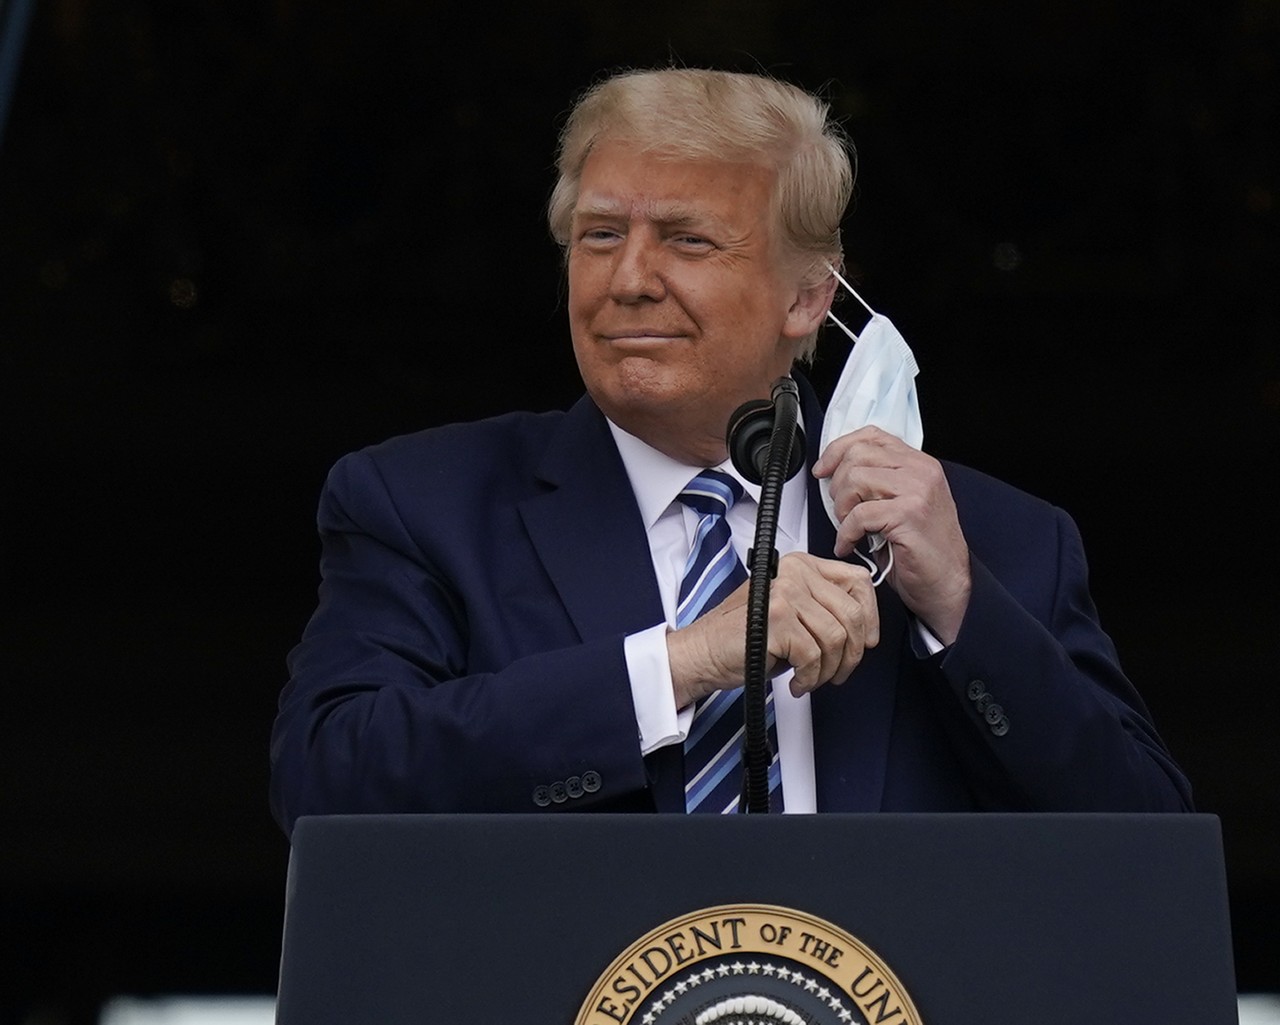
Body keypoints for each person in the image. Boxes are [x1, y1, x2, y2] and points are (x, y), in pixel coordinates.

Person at [269, 67, 1192, 837]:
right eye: (599, 236)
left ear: (806, 299)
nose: (628, 280)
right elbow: (328, 780)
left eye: (686, 239)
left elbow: (1150, 852)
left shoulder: (995, 539)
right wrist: (687, 660)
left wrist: (958, 605)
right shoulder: (420, 502)